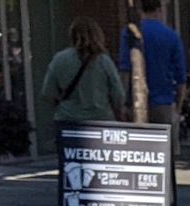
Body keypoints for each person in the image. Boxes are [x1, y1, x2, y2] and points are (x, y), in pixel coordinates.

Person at [41, 18, 128, 149]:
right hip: (101, 122)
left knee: (69, 163)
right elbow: (118, 94)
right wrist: (119, 112)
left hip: (68, 121)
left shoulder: (59, 59)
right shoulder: (104, 61)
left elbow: (48, 93)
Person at [118, 0, 185, 126]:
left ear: (140, 10)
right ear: (160, 9)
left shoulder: (129, 34)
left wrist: (124, 104)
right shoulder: (172, 36)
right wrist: (178, 107)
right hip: (163, 104)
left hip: (136, 104)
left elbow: (125, 72)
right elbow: (181, 78)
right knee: (166, 144)